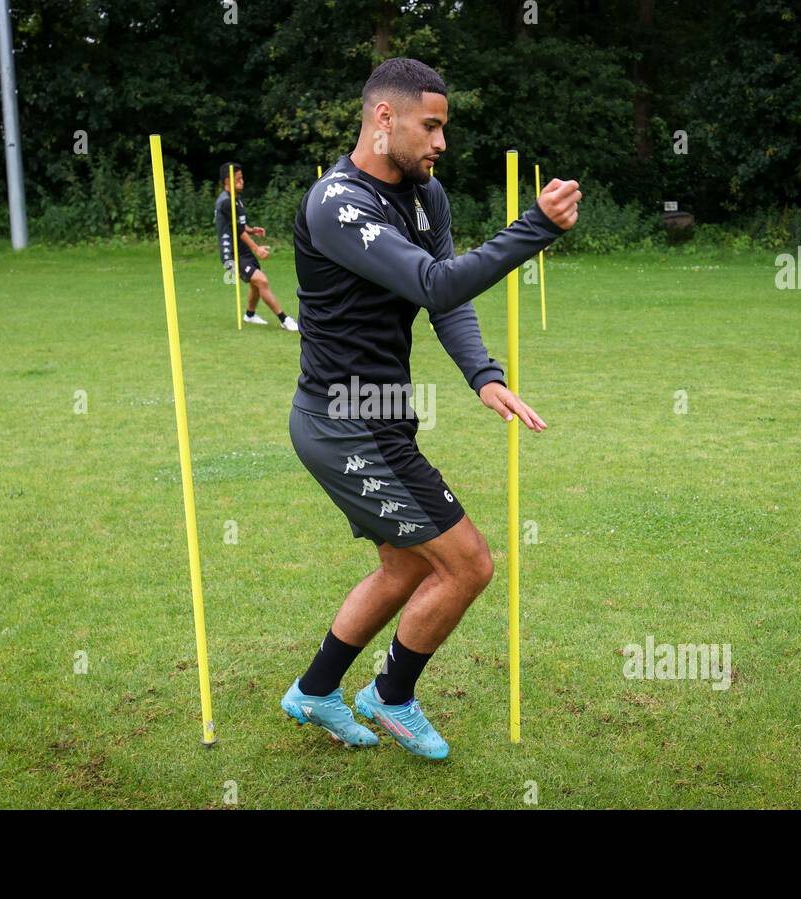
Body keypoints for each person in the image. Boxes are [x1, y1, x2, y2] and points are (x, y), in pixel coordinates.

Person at [281, 57, 581, 759]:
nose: (441, 142)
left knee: (406, 566)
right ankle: (390, 695)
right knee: (468, 563)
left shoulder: (426, 197)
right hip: (344, 419)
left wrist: (484, 374)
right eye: (432, 125)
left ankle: (316, 690)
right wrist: (534, 226)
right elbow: (433, 282)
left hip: (378, 414)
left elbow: (444, 300)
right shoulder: (336, 204)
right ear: (384, 119)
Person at [215, 162, 298, 331]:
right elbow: (237, 231)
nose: (242, 181)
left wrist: (252, 230)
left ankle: (250, 315)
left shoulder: (236, 199)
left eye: (242, 177)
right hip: (231, 253)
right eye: (238, 179)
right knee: (261, 280)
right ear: (227, 181)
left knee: (255, 283)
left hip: (241, 249)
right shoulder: (225, 202)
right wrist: (256, 248)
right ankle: (285, 320)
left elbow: (239, 226)